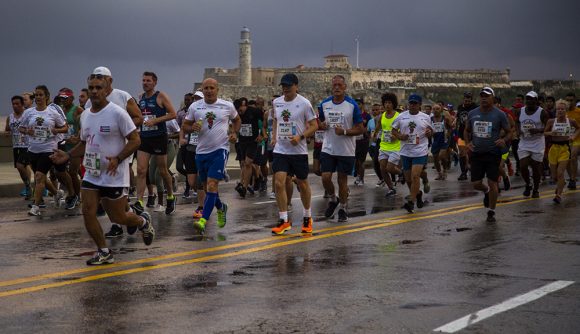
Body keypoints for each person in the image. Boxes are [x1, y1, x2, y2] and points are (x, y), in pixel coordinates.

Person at [50, 73, 154, 265]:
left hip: (114, 175)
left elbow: (135, 140)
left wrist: (118, 158)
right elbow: (84, 143)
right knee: (88, 210)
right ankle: (104, 251)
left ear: (107, 90)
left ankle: (142, 222)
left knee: (118, 217)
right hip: (92, 173)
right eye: (91, 88)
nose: (95, 91)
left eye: (99, 87)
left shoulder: (118, 113)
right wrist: (68, 155)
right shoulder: (86, 115)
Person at [84, 66, 144, 238]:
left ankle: (124, 218)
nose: (96, 87)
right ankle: (126, 215)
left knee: (115, 189)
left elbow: (138, 118)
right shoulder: (90, 102)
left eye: (101, 78)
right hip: (97, 155)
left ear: (109, 80)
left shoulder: (123, 96)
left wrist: (120, 125)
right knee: (100, 200)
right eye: (94, 80)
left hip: (121, 148)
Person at [182, 78, 240, 234]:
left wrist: (234, 132)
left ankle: (203, 220)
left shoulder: (226, 105)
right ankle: (221, 207)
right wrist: (191, 127)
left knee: (213, 184)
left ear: (217, 89)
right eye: (205, 88)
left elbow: (237, 119)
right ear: (202, 89)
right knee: (208, 189)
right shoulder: (195, 106)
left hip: (220, 150)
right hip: (201, 152)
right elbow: (185, 126)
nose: (208, 91)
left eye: (211, 88)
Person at [270, 73, 318, 234]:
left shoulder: (304, 103)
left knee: (302, 183)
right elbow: (276, 119)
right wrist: (274, 137)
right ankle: (284, 220)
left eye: (288, 86)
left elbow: (314, 125)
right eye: (283, 86)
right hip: (281, 150)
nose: (285, 89)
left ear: (296, 86)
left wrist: (300, 136)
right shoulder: (276, 102)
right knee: (278, 182)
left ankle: (307, 216)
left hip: (298, 150)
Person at [318, 75, 364, 222]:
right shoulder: (324, 104)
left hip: (346, 149)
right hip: (328, 147)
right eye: (334, 85)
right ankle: (333, 199)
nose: (337, 88)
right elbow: (319, 122)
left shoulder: (352, 106)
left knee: (342, 180)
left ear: (345, 87)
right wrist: (322, 125)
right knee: (325, 177)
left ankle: (343, 208)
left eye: (339, 85)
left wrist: (344, 132)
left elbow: (360, 129)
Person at [18, 85, 68, 216]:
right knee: (42, 178)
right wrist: (27, 131)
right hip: (33, 149)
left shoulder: (52, 112)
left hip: (48, 149)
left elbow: (65, 127)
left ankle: (36, 206)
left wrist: (56, 130)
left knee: (39, 177)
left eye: (41, 95)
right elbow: (21, 128)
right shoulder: (29, 112)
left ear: (46, 96)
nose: (38, 98)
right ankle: (57, 194)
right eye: (36, 95)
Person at [464, 87, 511, 223]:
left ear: (493, 98)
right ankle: (485, 192)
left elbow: (509, 132)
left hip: (492, 153)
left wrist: (504, 140)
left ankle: (491, 210)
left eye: (487, 96)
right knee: (476, 183)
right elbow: (466, 131)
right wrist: (467, 143)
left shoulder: (500, 114)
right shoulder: (472, 113)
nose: (484, 98)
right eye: (482, 96)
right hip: (477, 153)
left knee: (493, 182)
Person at [134, 71, 177, 215]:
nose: (145, 83)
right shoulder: (140, 98)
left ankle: (170, 196)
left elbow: (173, 114)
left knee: (163, 171)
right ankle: (139, 201)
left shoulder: (160, 96)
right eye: (143, 80)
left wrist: (156, 120)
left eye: (148, 81)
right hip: (145, 137)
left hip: (159, 137)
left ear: (154, 82)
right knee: (141, 170)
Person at [392, 93, 433, 213]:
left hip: (420, 150)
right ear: (408, 104)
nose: (413, 105)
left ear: (420, 105)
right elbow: (393, 130)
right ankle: (418, 194)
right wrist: (400, 136)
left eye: (415, 103)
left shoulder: (425, 117)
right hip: (405, 151)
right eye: (411, 103)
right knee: (409, 179)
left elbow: (431, 131)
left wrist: (429, 133)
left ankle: (411, 202)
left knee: (415, 176)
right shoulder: (401, 116)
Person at [514, 91, 549, 198]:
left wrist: (538, 130)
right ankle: (528, 184)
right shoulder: (520, 111)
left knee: (536, 167)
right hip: (524, 141)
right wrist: (518, 130)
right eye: (527, 98)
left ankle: (536, 189)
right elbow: (517, 122)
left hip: (538, 142)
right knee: (523, 165)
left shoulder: (542, 112)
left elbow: (548, 128)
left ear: (536, 100)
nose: (529, 101)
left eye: (531, 99)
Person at [544, 99, 580, 203]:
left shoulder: (571, 121)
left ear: (566, 110)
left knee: (560, 173)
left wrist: (573, 136)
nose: (560, 111)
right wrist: (551, 133)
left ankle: (558, 195)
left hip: (565, 148)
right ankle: (561, 183)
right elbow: (545, 133)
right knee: (554, 176)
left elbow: (578, 128)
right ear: (556, 110)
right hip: (553, 149)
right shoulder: (551, 121)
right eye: (558, 109)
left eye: (562, 109)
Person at [56, 87, 82, 209]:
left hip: (75, 146)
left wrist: (77, 137)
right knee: (59, 172)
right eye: (61, 98)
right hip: (63, 145)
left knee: (73, 172)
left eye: (65, 98)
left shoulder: (77, 110)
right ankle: (72, 194)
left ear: (72, 98)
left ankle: (76, 196)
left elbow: (86, 126)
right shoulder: (60, 111)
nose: (63, 100)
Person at [371, 92, 401, 197]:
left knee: (389, 168)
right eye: (385, 103)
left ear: (393, 104)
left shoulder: (398, 116)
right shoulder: (382, 115)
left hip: (395, 147)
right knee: (382, 169)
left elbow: (403, 129)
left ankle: (402, 174)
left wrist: (396, 135)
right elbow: (379, 126)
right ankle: (391, 188)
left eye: (389, 103)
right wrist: (374, 134)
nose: (387, 105)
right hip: (384, 145)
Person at [234, 97, 265, 198]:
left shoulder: (255, 111)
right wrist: (233, 134)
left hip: (253, 141)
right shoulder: (236, 114)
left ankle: (244, 187)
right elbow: (233, 124)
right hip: (242, 142)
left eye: (240, 109)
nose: (239, 112)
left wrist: (262, 135)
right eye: (237, 110)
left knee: (248, 163)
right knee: (243, 163)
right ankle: (253, 180)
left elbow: (264, 123)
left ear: (244, 105)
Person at [5, 95, 32, 199]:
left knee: (20, 165)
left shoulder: (27, 115)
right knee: (19, 168)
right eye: (13, 104)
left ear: (22, 105)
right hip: (16, 146)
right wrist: (7, 132)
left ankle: (30, 187)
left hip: (26, 145)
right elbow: (7, 129)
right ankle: (27, 186)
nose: (15, 106)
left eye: (17, 104)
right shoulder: (10, 117)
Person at [431, 103, 453, 180]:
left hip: (444, 140)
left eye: (437, 109)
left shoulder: (445, 118)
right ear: (432, 110)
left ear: (441, 110)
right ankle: (439, 173)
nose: (435, 110)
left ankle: (444, 170)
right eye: (434, 109)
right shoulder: (430, 119)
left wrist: (448, 134)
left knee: (441, 156)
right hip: (435, 141)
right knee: (435, 158)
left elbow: (450, 128)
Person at [353, 98, 371, 186]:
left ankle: (361, 178)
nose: (357, 105)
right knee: (355, 161)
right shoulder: (352, 115)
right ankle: (357, 175)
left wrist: (362, 130)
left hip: (363, 141)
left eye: (359, 103)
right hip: (353, 141)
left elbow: (369, 129)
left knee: (361, 161)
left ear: (362, 105)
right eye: (355, 103)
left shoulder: (367, 116)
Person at [565, 92, 580, 189]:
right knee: (565, 159)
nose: (569, 102)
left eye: (571, 100)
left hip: (577, 138)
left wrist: (574, 136)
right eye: (567, 100)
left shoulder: (578, 111)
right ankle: (571, 179)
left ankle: (573, 179)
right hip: (566, 139)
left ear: (575, 101)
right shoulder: (563, 111)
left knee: (573, 155)